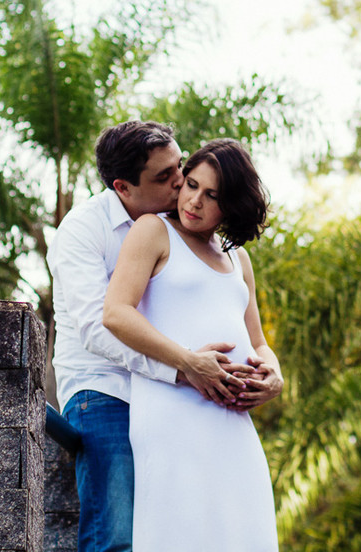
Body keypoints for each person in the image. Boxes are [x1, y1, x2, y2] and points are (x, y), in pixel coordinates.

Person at [50, 121, 272, 552]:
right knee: (118, 536)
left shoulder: (195, 236)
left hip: (177, 394)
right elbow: (99, 326)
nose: (179, 183)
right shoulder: (83, 229)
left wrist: (262, 374)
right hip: (106, 390)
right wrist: (183, 367)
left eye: (180, 166)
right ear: (123, 187)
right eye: (165, 176)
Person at [103, 138, 283, 551]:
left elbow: (259, 342)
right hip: (173, 411)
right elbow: (116, 313)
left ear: (232, 204)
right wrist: (189, 362)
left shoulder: (238, 259)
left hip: (233, 421)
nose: (195, 201)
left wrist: (275, 376)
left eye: (212, 195)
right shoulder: (154, 230)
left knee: (245, 534)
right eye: (192, 184)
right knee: (180, 533)